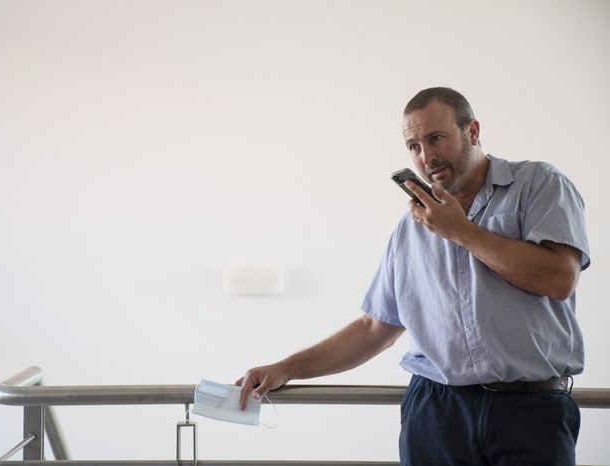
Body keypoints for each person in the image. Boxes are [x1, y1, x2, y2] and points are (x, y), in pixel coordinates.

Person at [236, 87, 590, 465]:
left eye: (436, 138)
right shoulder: (409, 229)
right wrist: (284, 369)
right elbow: (375, 328)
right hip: (436, 412)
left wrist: (461, 231)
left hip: (531, 410)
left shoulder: (538, 183)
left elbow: (559, 279)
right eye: (414, 146)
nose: (427, 157)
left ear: (472, 131)